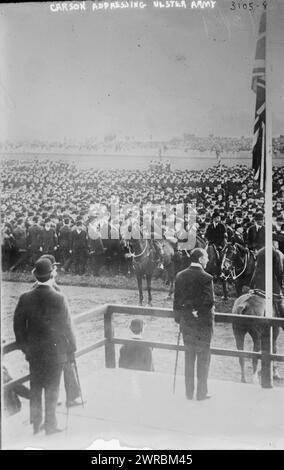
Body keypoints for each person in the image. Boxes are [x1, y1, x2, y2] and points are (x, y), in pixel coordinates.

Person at [13, 257, 77, 435]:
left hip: (34, 352)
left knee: (35, 387)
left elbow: (18, 327)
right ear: (52, 274)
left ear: (35, 274)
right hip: (56, 353)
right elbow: (67, 327)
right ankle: (50, 425)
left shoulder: (25, 297)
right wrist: (72, 348)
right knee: (52, 388)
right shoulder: (59, 298)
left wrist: (26, 347)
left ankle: (36, 424)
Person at [173, 248, 214, 401]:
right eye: (207, 257)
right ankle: (201, 393)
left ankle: (188, 393)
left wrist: (182, 319)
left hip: (186, 325)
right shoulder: (207, 278)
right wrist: (198, 313)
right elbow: (209, 301)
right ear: (201, 259)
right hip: (203, 326)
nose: (208, 260)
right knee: (203, 360)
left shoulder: (180, 275)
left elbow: (176, 303)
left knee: (189, 359)